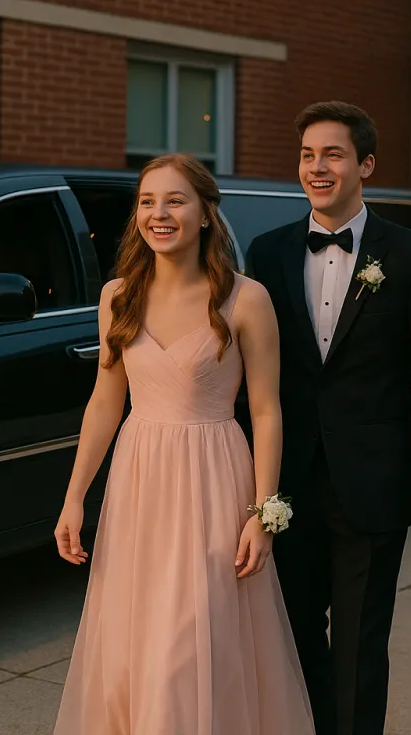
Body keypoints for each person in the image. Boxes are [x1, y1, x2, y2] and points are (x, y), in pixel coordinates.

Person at [52, 153, 314, 734]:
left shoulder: (246, 299)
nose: (158, 213)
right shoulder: (117, 296)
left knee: (194, 646)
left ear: (204, 214)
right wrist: (75, 498)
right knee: (136, 642)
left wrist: (263, 513)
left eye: (175, 200)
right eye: (147, 201)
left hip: (214, 481)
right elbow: (105, 401)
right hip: (139, 481)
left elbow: (268, 410)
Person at [243, 101, 411, 735]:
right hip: (287, 486)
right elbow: (249, 383)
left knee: (362, 642)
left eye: (333, 154)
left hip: (374, 483)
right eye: (308, 155)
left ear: (366, 164)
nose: (318, 167)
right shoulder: (267, 254)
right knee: (293, 638)